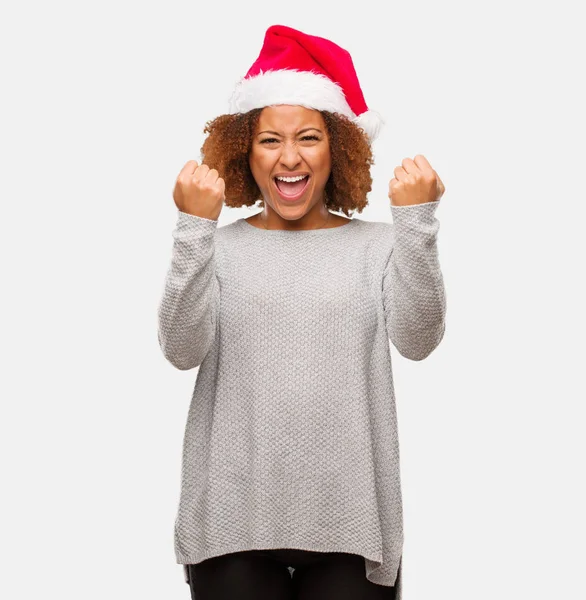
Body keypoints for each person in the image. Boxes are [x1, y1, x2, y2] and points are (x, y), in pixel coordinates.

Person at [157, 24, 446, 600]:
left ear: (338, 147)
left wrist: (418, 226)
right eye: (269, 140)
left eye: (308, 137)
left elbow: (418, 340)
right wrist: (193, 229)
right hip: (231, 520)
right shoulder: (216, 247)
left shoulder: (378, 245)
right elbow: (180, 349)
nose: (289, 157)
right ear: (245, 149)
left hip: (352, 520)